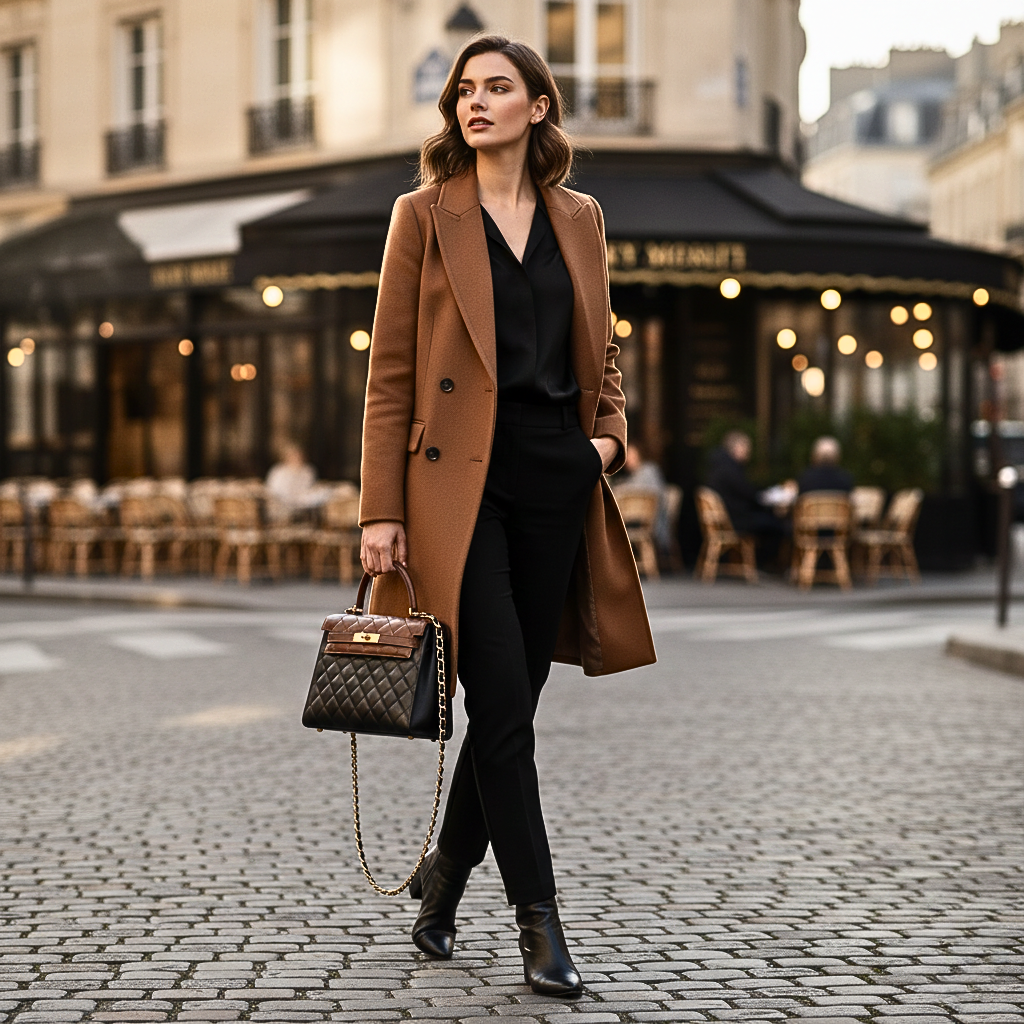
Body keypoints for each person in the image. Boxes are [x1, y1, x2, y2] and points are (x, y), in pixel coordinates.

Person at [357, 35, 656, 998]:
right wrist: (379, 511)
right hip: (456, 490)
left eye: (497, 88)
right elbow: (390, 376)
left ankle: (443, 883)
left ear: (537, 107)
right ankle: (540, 921)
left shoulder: (581, 217)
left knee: (510, 705)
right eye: (464, 91)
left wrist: (604, 443)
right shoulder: (422, 216)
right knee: (499, 702)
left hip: (553, 482)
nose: (475, 103)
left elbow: (602, 354)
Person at [706, 430, 784, 538]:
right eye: (746, 447)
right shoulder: (729, 469)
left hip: (727, 519)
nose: (749, 452)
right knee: (777, 525)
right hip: (733, 520)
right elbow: (749, 494)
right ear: (737, 448)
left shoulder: (720, 466)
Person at [613, 441, 671, 556]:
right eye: (626, 456)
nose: (628, 459)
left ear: (639, 454)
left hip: (651, 521)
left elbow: (652, 496)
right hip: (635, 519)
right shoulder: (631, 477)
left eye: (630, 454)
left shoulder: (649, 471)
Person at [265, 442, 316, 507]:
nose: (296, 457)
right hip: (280, 503)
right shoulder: (278, 471)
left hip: (303, 504)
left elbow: (310, 490)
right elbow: (271, 490)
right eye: (293, 455)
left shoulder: (308, 471)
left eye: (298, 455)